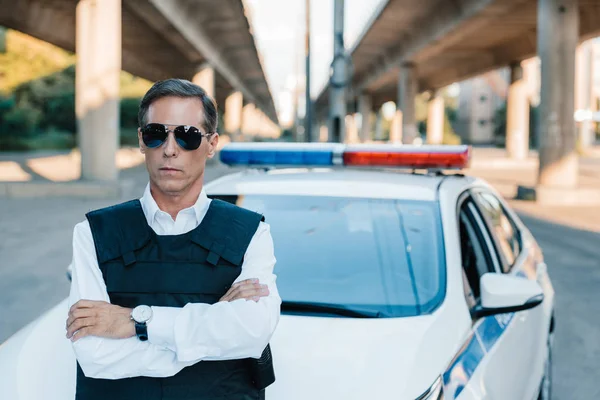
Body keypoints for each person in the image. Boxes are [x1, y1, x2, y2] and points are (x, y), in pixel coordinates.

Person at [65, 79, 280, 400]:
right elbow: (95, 356)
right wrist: (212, 325)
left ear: (212, 144)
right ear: (141, 140)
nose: (169, 148)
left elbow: (251, 332)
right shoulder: (93, 233)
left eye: (187, 135)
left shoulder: (250, 232)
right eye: (156, 134)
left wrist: (136, 321)